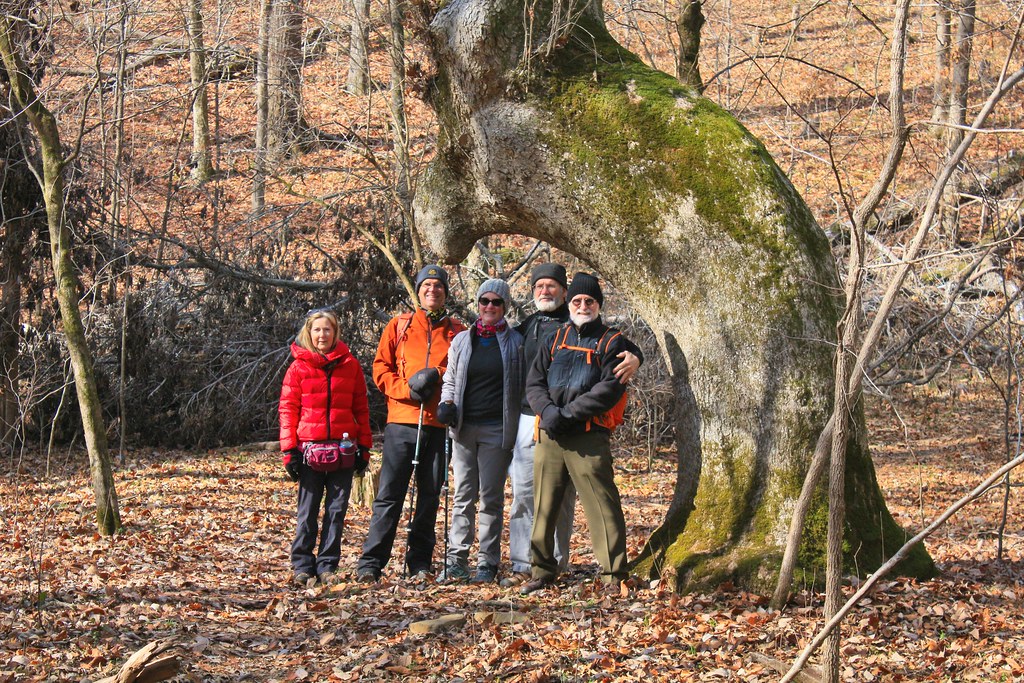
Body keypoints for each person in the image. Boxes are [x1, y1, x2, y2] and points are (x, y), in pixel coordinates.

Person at [501, 263, 642, 587]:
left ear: (598, 306)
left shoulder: (612, 342)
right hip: (549, 434)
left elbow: (608, 390)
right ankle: (542, 570)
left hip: (588, 436)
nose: (582, 307)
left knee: (602, 506)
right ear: (571, 302)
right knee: (544, 506)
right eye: (578, 301)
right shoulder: (555, 337)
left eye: (589, 302)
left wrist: (568, 414)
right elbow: (534, 381)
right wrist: (549, 412)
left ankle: (613, 574)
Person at [356, 265, 466, 582]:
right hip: (402, 422)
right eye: (426, 285)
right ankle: (371, 563)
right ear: (418, 291)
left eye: (438, 285)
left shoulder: (457, 331)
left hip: (437, 424)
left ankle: (420, 562)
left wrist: (440, 382)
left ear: (446, 292)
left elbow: (463, 372)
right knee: (390, 494)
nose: (433, 290)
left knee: (430, 496)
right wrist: (406, 390)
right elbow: (381, 368)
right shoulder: (399, 325)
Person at [436, 279, 524, 584]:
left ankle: (487, 561)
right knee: (463, 496)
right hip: (464, 429)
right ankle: (456, 560)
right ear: (478, 304)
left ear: (505, 306)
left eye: (496, 302)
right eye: (484, 301)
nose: (489, 307)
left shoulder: (516, 342)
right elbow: (450, 379)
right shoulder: (462, 340)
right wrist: (447, 403)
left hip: (497, 430)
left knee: (490, 498)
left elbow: (525, 384)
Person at [279, 308, 372, 587]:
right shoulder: (298, 367)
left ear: (336, 333)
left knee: (336, 510)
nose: (323, 335)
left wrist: (364, 448)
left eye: (328, 329)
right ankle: (302, 565)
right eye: (317, 330)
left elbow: (362, 409)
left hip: (343, 450)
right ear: (309, 333)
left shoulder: (350, 365)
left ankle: (328, 565)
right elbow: (287, 409)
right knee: (307, 510)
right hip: (308, 451)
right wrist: (289, 451)